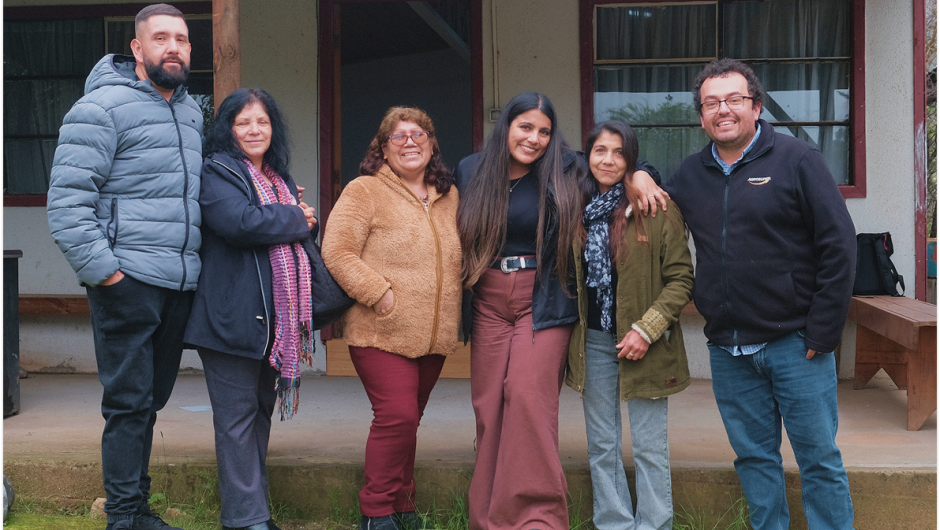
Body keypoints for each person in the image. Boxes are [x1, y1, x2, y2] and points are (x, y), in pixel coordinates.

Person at [640, 58, 857, 529]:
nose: (723, 110)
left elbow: (839, 246)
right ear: (701, 116)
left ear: (756, 107)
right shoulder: (693, 173)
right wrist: (639, 172)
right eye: (711, 103)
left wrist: (823, 330)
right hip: (728, 350)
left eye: (734, 99)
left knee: (818, 459)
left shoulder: (797, 159)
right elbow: (655, 194)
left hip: (796, 345)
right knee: (755, 460)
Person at [46, 5, 202, 530]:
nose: (173, 47)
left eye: (181, 38)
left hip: (177, 282)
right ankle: (125, 516)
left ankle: (138, 508)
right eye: (161, 38)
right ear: (137, 48)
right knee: (128, 404)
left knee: (149, 401)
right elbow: (68, 205)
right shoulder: (101, 107)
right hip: (127, 281)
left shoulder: (191, 113)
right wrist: (109, 276)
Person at [321, 107, 462, 530]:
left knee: (408, 420)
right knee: (397, 416)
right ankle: (376, 510)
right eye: (398, 136)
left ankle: (402, 504)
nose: (409, 142)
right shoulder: (364, 190)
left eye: (418, 134)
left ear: (432, 144)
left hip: (434, 335)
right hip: (379, 329)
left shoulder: (449, 195)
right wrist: (378, 294)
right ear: (382, 149)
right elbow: (337, 251)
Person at [182, 88, 317, 530]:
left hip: (272, 323)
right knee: (236, 420)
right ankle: (245, 519)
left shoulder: (277, 178)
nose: (254, 130)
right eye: (243, 123)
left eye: (262, 122)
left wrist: (296, 217)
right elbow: (240, 223)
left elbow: (283, 233)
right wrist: (297, 218)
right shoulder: (216, 171)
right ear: (228, 129)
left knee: (258, 414)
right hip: (230, 318)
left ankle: (251, 513)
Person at [455, 91, 583, 530]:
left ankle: (537, 518)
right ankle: (488, 519)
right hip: (487, 297)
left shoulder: (567, 167)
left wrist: (643, 175)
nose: (534, 139)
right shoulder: (471, 169)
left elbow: (617, 164)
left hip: (542, 296)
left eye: (544, 131)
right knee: (489, 407)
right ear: (506, 126)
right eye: (525, 127)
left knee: (527, 397)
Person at [565, 120, 693, 530]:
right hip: (594, 340)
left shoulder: (655, 206)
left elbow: (681, 279)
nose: (608, 160)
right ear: (587, 156)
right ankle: (614, 523)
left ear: (632, 159)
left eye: (619, 152)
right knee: (602, 444)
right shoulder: (577, 210)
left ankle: (655, 524)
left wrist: (646, 329)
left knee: (650, 445)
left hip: (646, 341)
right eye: (600, 150)